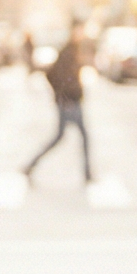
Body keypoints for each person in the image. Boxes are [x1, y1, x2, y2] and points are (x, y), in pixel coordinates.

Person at [22, 31, 91, 184]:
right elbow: (54, 75)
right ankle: (87, 174)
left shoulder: (71, 51)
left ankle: (30, 166)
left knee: (62, 137)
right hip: (70, 103)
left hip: (70, 102)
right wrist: (64, 96)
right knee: (76, 137)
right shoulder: (68, 53)